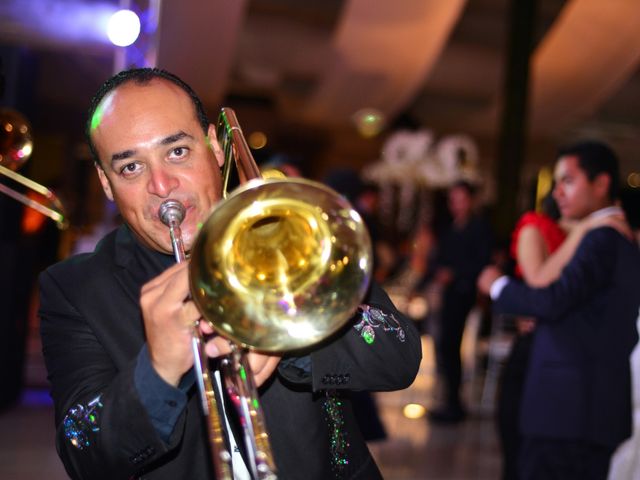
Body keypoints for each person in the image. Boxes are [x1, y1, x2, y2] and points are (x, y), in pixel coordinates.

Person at [38, 68, 422, 480]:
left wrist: (289, 333)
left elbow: (397, 354)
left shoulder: (291, 230)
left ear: (215, 147)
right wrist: (158, 371)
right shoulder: (74, 289)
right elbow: (84, 454)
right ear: (107, 184)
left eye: (177, 151)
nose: (162, 185)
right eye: (131, 167)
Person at [478, 140, 640, 480]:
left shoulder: (603, 238)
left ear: (601, 183)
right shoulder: (614, 237)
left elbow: (552, 300)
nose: (558, 192)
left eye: (568, 180)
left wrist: (498, 286)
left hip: (569, 412)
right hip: (583, 409)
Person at [427, 180, 493, 423]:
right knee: (445, 346)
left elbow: (481, 263)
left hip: (463, 294)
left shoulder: (478, 228)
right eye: (452, 200)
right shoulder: (449, 228)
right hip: (448, 294)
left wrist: (454, 273)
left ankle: (454, 402)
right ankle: (449, 399)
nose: (456, 205)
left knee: (452, 346)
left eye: (460, 199)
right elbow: (436, 259)